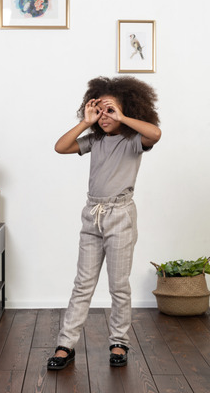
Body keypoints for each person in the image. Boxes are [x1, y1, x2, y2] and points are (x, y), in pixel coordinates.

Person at [47, 76, 161, 370]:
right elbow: (60, 147)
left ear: (127, 109)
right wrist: (86, 122)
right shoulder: (94, 140)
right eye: (99, 110)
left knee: (118, 285)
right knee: (82, 283)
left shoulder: (133, 140)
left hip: (120, 215)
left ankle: (119, 342)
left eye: (109, 110)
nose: (104, 116)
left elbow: (155, 134)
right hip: (92, 215)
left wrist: (122, 116)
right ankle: (65, 344)